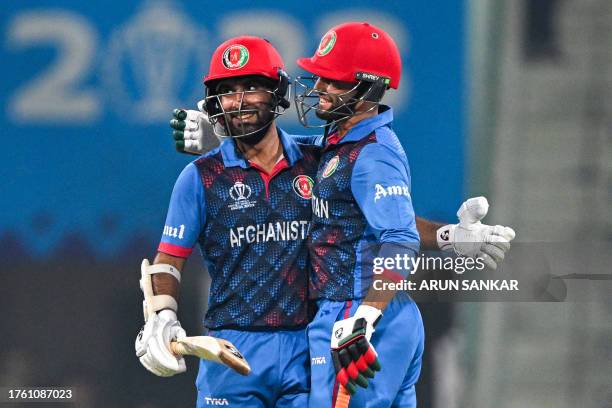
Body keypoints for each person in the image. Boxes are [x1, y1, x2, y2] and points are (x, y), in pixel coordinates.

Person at [293, 21, 513, 407]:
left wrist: (363, 319)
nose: (319, 90)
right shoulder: (343, 142)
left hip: (356, 312)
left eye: (333, 81)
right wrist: (448, 236)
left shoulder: (372, 154)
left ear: (367, 89)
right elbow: (395, 222)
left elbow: (399, 241)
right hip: (386, 315)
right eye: (320, 77)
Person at [135, 35, 321, 407]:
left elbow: (371, 168)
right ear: (213, 102)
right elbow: (168, 260)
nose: (239, 101)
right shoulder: (200, 176)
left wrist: (447, 236)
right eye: (227, 90)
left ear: (278, 92)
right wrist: (162, 317)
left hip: (309, 347)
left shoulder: (317, 161)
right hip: (231, 350)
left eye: (251, 86)